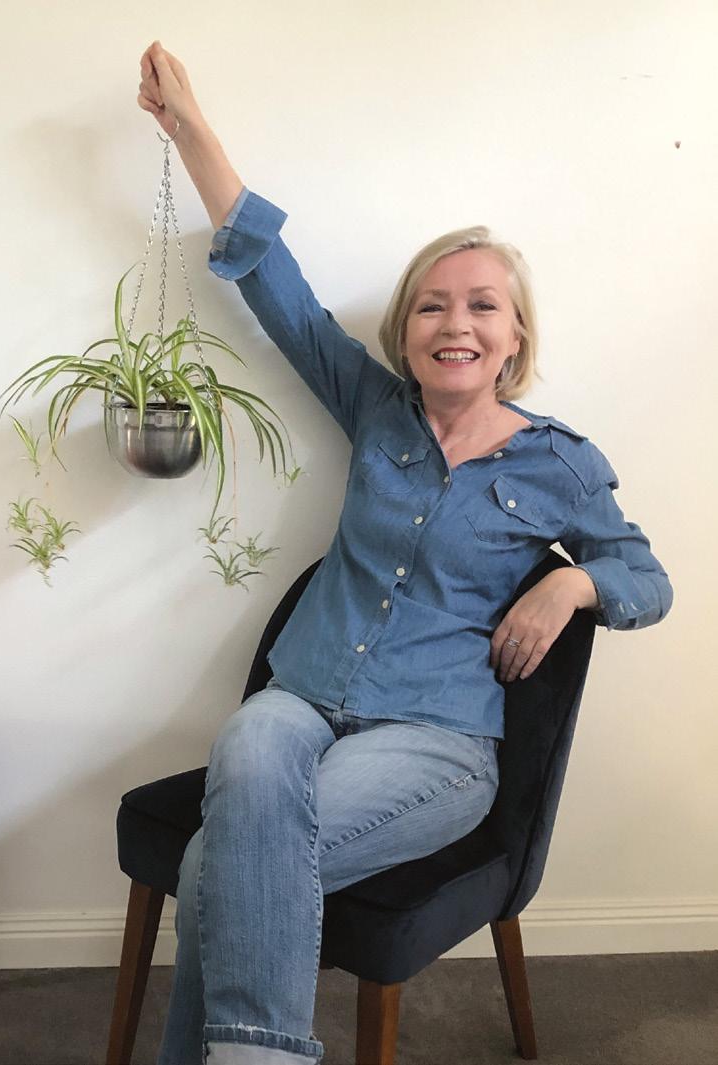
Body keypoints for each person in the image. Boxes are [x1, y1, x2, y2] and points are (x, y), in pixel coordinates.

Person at [136, 41, 673, 1065]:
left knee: (215, 865)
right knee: (247, 744)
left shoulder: (558, 462)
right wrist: (188, 127)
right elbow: (276, 285)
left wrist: (570, 581)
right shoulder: (373, 408)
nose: (453, 322)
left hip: (435, 741)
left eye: (480, 305)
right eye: (431, 304)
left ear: (513, 338)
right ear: (404, 330)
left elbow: (646, 579)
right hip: (299, 699)